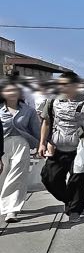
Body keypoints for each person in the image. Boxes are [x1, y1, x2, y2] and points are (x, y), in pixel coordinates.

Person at [37, 71, 84, 221]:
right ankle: (69, 199)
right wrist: (42, 143)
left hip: (79, 147)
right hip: (56, 146)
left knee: (78, 180)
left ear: (74, 85)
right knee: (49, 178)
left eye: (65, 84)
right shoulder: (52, 101)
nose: (62, 87)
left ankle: (74, 210)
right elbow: (46, 122)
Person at [1, 79, 42, 222]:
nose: (12, 92)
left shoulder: (28, 110)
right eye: (8, 90)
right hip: (2, 145)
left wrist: (41, 145)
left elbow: (36, 130)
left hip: (21, 144)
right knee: (3, 176)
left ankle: (11, 210)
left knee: (17, 175)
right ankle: (4, 203)